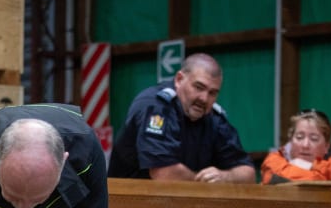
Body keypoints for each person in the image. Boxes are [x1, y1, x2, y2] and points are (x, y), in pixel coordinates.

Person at [108, 53, 255, 183]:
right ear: (179, 79)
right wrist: (204, 184)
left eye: (213, 93)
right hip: (129, 203)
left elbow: (249, 174)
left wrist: (225, 177)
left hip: (180, 207)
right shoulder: (155, 105)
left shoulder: (214, 119)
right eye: (199, 87)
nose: (204, 98)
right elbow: (164, 173)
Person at [260, 109, 331, 193]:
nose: (305, 145)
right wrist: (329, 179)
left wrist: (313, 166)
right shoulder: (274, 160)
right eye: (299, 137)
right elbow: (281, 178)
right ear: (291, 140)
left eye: (314, 139)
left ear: (326, 146)